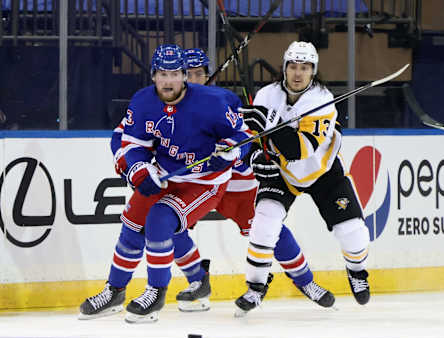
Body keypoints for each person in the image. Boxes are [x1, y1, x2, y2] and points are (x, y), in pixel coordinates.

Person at [79, 44, 251, 323]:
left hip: (204, 181)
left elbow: (243, 137)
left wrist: (230, 152)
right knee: (133, 223)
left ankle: (155, 292)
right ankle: (115, 291)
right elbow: (132, 144)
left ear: (184, 75)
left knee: (159, 217)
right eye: (162, 73)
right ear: (153, 75)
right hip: (165, 174)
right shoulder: (142, 101)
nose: (167, 80)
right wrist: (139, 170)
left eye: (174, 74)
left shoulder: (212, 102)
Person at [235, 41, 371, 315]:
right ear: (284, 68)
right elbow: (247, 138)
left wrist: (269, 123)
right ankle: (255, 288)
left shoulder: (322, 101)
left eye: (305, 68)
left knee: (353, 233)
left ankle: (357, 271)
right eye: (293, 67)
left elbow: (299, 150)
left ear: (314, 71)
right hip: (282, 172)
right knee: (264, 221)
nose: (298, 73)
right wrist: (253, 157)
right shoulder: (266, 95)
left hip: (323, 171)